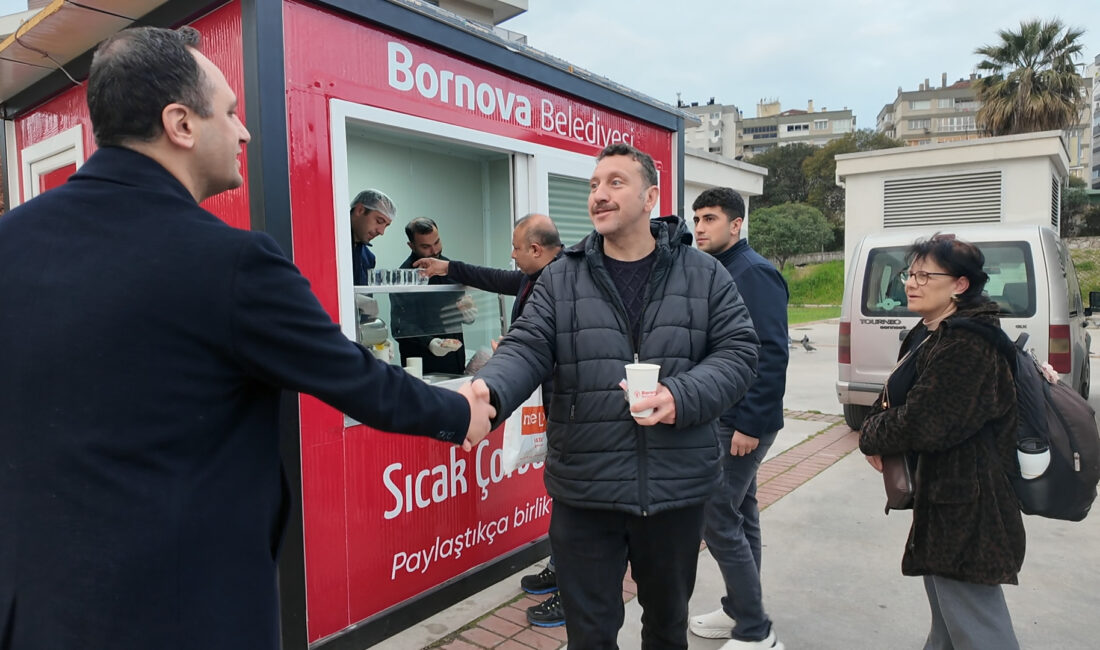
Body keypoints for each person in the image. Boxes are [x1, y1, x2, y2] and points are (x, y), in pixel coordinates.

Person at [0, 26, 494, 650]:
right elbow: (352, 376)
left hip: (36, 609)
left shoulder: (10, 240)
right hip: (183, 612)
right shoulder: (229, 261)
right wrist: (460, 409)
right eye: (230, 112)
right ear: (180, 123)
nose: (244, 131)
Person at [471, 143, 760, 648]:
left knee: (668, 627)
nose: (599, 195)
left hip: (675, 490)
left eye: (615, 183)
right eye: (593, 185)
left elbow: (740, 352)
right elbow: (526, 346)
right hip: (586, 491)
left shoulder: (704, 273)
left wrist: (682, 394)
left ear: (650, 197)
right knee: (590, 634)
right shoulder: (561, 278)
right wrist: (490, 391)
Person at [859, 234, 1024, 650]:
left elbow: (926, 422)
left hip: (970, 509)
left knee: (977, 626)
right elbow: (899, 401)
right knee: (951, 622)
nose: (911, 283)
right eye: (909, 273)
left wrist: (870, 434)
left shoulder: (969, 343)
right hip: (947, 501)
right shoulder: (933, 333)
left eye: (924, 274)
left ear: (960, 285)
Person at [417, 212, 567, 627]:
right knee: (562, 495)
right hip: (554, 409)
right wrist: (450, 267)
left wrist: (526, 349)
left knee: (574, 504)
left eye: (517, 249)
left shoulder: (572, 282)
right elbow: (496, 278)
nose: (512, 257)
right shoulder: (532, 276)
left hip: (576, 412)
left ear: (536, 250)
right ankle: (561, 569)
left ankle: (574, 592)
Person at [689, 188, 789, 650]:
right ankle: (739, 609)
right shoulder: (719, 269)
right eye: (697, 218)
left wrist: (750, 422)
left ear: (736, 224)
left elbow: (771, 354)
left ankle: (755, 630)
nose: (700, 227)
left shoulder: (754, 273)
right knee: (741, 512)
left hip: (742, 420)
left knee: (717, 515)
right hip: (723, 414)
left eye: (710, 218)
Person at [390, 217, 475, 375]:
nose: (435, 251)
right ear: (411, 245)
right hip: (421, 366)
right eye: (426, 246)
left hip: (456, 362)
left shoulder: (451, 268)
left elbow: (459, 307)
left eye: (437, 242)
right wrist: (430, 343)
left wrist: (467, 313)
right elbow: (400, 326)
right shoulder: (403, 277)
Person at [350, 188, 396, 285]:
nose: (381, 231)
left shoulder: (368, 258)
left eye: (386, 225)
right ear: (360, 210)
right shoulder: (331, 245)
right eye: (379, 221)